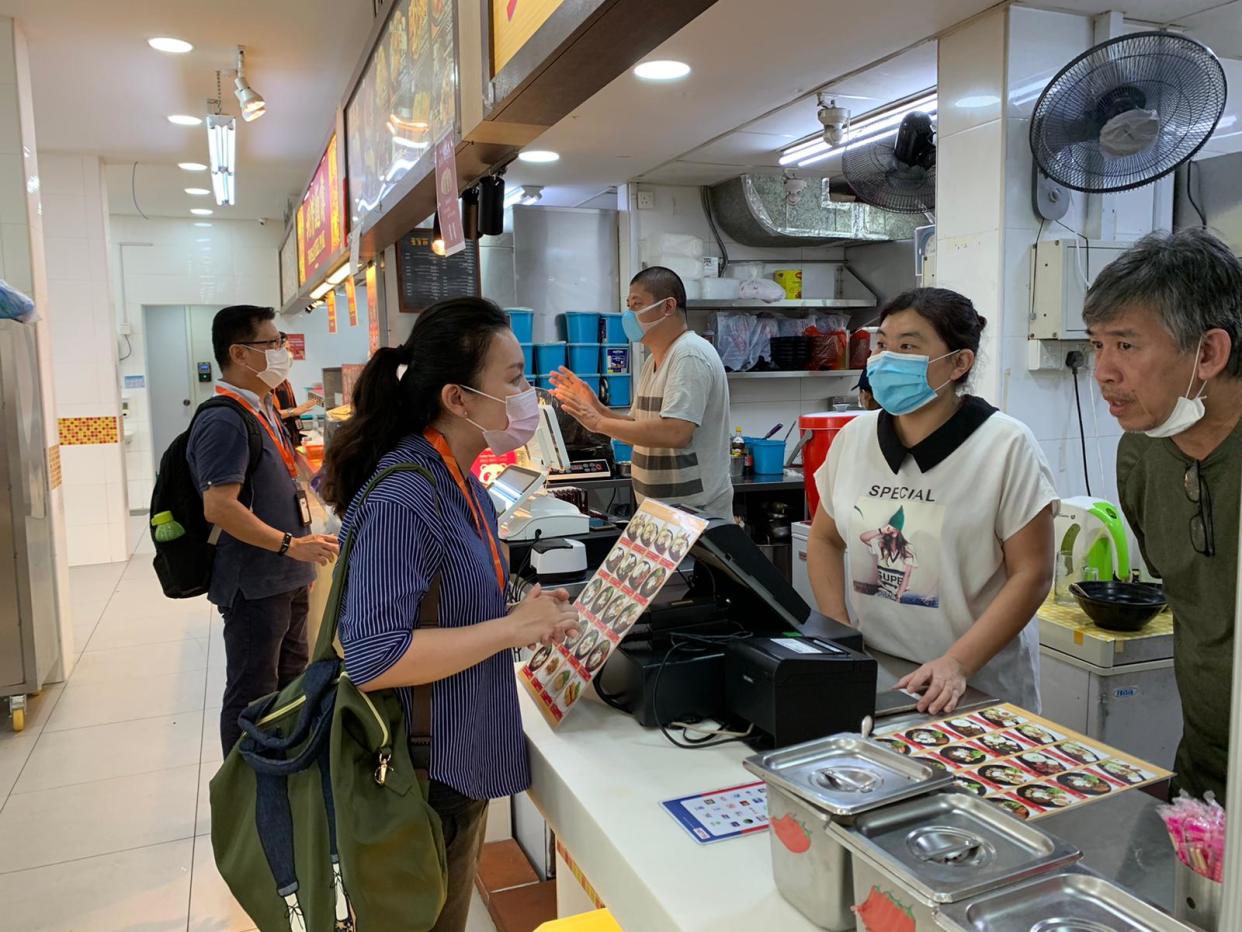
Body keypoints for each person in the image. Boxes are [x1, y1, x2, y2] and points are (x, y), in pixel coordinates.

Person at [321, 297, 580, 932]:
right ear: (458, 399)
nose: (529, 395)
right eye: (515, 378)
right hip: (417, 779)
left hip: (452, 770)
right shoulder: (406, 495)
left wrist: (522, 610)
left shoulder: (458, 479)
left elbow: (450, 602)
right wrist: (510, 628)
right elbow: (374, 657)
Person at [806, 288, 1057, 715]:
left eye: (908, 347)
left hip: (976, 684)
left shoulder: (1005, 445)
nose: (885, 358)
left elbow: (1032, 573)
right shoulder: (855, 438)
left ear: (960, 363)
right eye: (882, 344)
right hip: (878, 672)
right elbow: (825, 540)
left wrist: (958, 663)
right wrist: (839, 629)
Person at [1083, 227, 1242, 803]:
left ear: (1209, 353)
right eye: (1097, 344)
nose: (1102, 369)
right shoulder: (1142, 451)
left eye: (1126, 345)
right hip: (1204, 774)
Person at [187, 305, 339, 754]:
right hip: (255, 582)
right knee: (252, 691)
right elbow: (219, 507)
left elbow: (288, 472)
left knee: (292, 685)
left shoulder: (263, 408)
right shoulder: (223, 419)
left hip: (287, 577)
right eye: (272, 344)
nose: (282, 351)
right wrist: (290, 545)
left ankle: (284, 774)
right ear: (240, 353)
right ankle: (244, 793)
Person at [551, 267, 733, 517]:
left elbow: (676, 432)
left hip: (695, 515)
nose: (629, 315)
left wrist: (599, 423)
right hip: (660, 512)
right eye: (628, 305)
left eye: (637, 305)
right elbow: (638, 427)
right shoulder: (653, 361)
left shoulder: (689, 354)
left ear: (668, 306)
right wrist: (597, 408)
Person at [273, 378, 320, 447]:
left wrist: (300, 408)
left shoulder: (285, 383)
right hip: (282, 436)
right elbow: (272, 414)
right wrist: (292, 412)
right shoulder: (272, 385)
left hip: (293, 435)